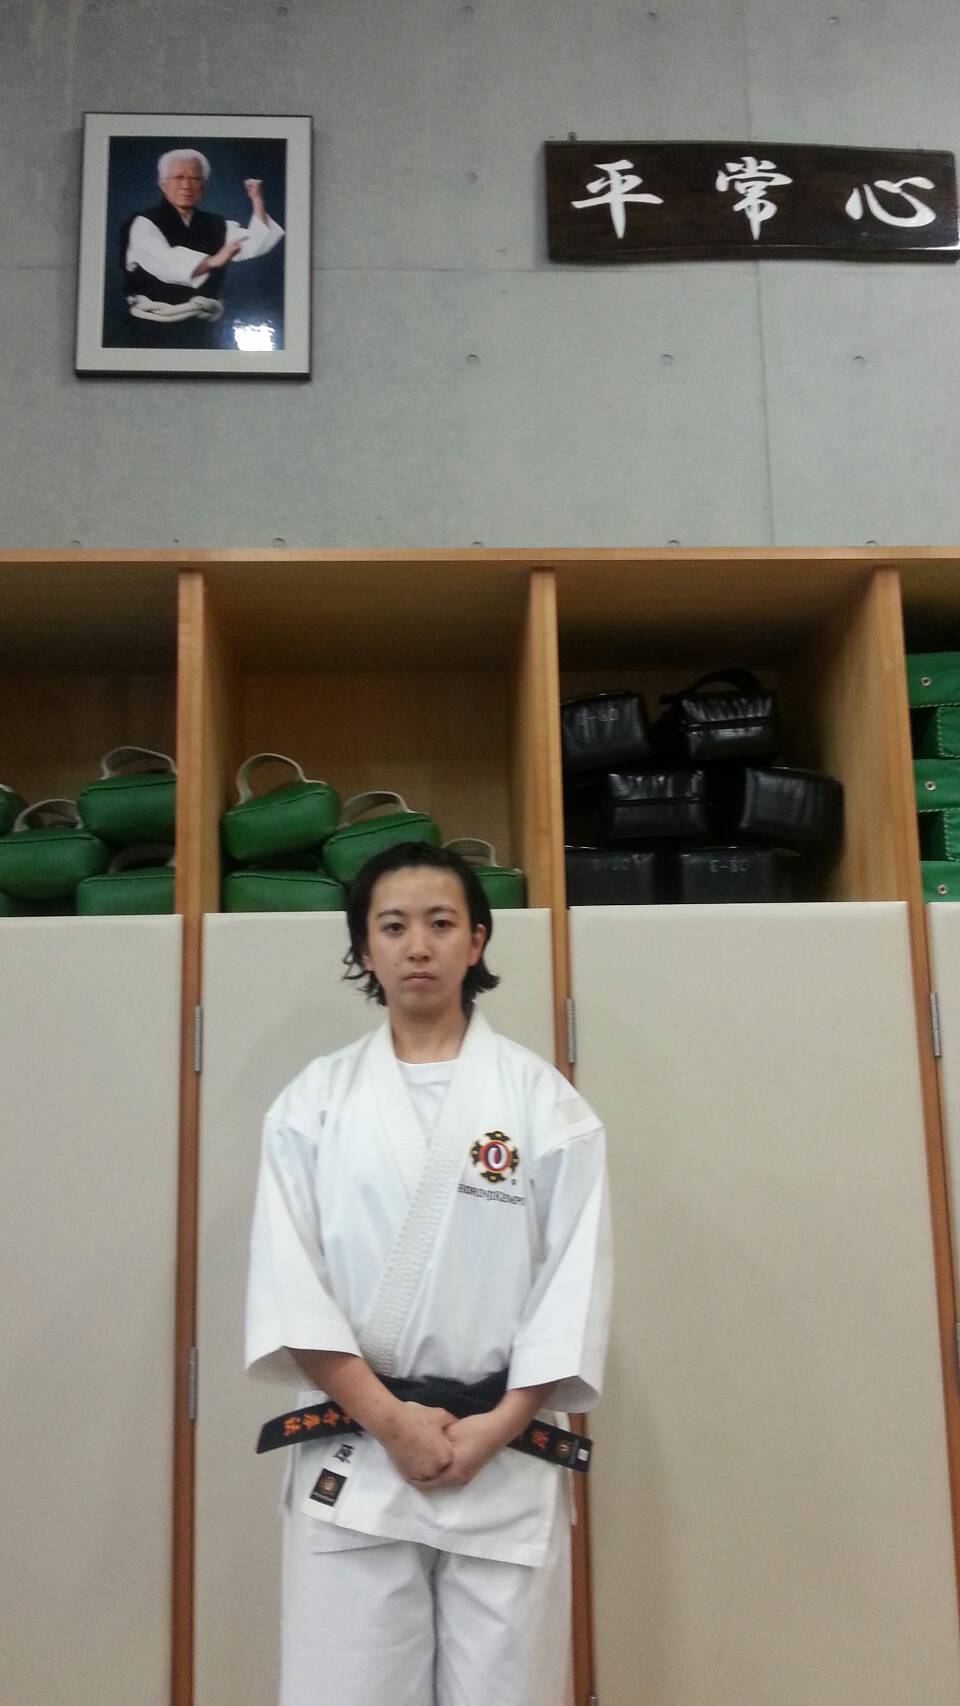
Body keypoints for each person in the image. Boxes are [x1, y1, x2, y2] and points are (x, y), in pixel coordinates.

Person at [245, 841, 612, 1706]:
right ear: (363, 948)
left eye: (441, 924)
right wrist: (392, 1422)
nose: (418, 946)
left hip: (502, 1450)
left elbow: (573, 1292)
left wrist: (496, 1426)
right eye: (393, 927)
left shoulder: (545, 1105)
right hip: (359, 1450)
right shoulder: (312, 1104)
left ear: (476, 941)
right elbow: (291, 1290)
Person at [121, 147, 284, 326]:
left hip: (204, 324)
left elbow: (256, 243)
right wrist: (212, 261)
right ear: (163, 184)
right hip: (150, 324)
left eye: (195, 178)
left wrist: (257, 199)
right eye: (178, 177)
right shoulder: (143, 223)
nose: (186, 185)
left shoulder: (216, 224)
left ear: (203, 186)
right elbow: (165, 263)